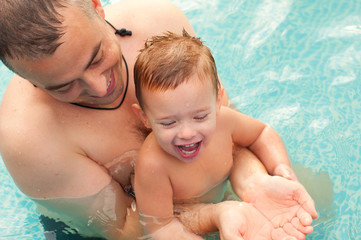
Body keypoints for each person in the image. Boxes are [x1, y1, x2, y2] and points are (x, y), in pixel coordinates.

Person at [0, 0, 317, 239]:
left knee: (314, 205)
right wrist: (219, 214)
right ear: (27, 78)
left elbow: (226, 135)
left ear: (97, 7)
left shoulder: (159, 25)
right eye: (63, 86)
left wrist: (254, 184)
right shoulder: (29, 138)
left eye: (96, 56)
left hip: (201, 195)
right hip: (136, 230)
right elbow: (125, 227)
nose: (100, 88)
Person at [132, 31, 316, 239]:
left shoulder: (224, 122)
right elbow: (160, 227)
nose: (187, 133)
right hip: (186, 217)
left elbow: (261, 133)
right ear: (144, 117)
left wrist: (281, 168)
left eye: (200, 117)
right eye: (169, 122)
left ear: (218, 101)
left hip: (229, 198)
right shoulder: (152, 164)